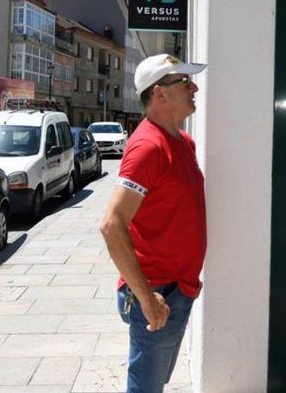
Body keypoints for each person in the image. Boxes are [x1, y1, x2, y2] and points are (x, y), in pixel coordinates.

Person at [99, 54, 207, 393]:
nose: (195, 87)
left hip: (176, 290)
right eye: (184, 83)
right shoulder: (148, 147)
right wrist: (146, 297)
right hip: (159, 295)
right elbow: (112, 224)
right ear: (159, 94)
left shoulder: (182, 143)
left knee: (154, 383)